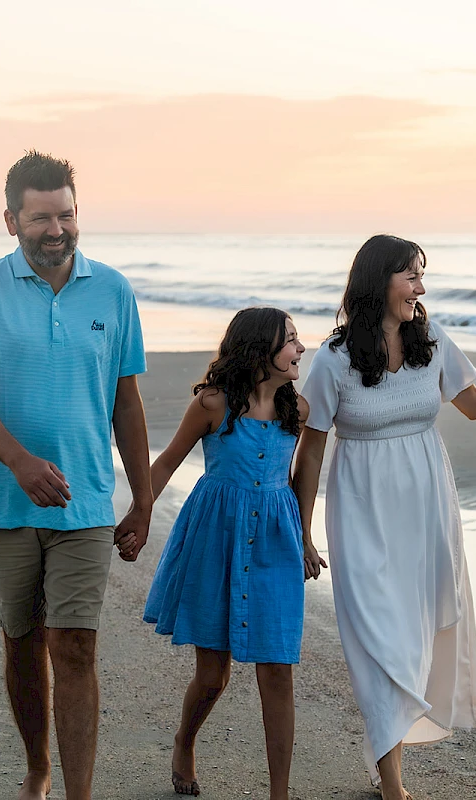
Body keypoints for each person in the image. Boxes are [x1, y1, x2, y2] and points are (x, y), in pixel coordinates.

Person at [0, 151, 152, 800]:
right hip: (4, 502)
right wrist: (19, 463)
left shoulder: (113, 290)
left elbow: (126, 401)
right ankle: (37, 768)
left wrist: (143, 498)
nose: (56, 229)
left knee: (74, 646)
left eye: (65, 214)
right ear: (11, 220)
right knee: (21, 640)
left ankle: (77, 795)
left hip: (86, 503)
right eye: (40, 218)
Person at [292, 234, 476, 800]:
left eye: (421, 276)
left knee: (418, 631)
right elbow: (311, 448)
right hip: (361, 510)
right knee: (378, 636)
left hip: (428, 507)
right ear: (380, 280)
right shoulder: (335, 360)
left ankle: (390, 769)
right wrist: (302, 529)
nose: (420, 288)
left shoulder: (432, 342)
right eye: (410, 275)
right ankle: (393, 784)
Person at [139, 307, 321, 800]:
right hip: (213, 537)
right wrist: (138, 515)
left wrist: (305, 538)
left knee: (277, 668)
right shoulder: (213, 403)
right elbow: (167, 463)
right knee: (213, 674)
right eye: (290, 340)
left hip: (276, 540)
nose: (300, 348)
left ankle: (279, 793)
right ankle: (184, 742)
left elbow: (302, 477)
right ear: (259, 348)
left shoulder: (297, 410)